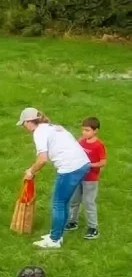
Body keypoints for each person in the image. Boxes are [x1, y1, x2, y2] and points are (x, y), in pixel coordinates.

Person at [17, 107, 91, 249]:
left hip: (70, 168)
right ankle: (57, 234)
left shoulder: (39, 132)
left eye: (23, 123)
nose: (23, 126)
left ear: (28, 121)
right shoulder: (50, 127)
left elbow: (42, 159)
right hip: (82, 163)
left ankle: (54, 240)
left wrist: (31, 172)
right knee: (63, 202)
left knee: (58, 203)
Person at [66, 116, 104, 239]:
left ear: (95, 130)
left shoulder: (99, 145)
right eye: (83, 130)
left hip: (90, 179)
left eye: (87, 130)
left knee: (88, 202)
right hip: (78, 177)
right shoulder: (82, 141)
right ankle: (72, 222)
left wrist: (88, 165)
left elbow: (103, 162)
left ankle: (93, 228)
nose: (84, 132)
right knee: (74, 200)